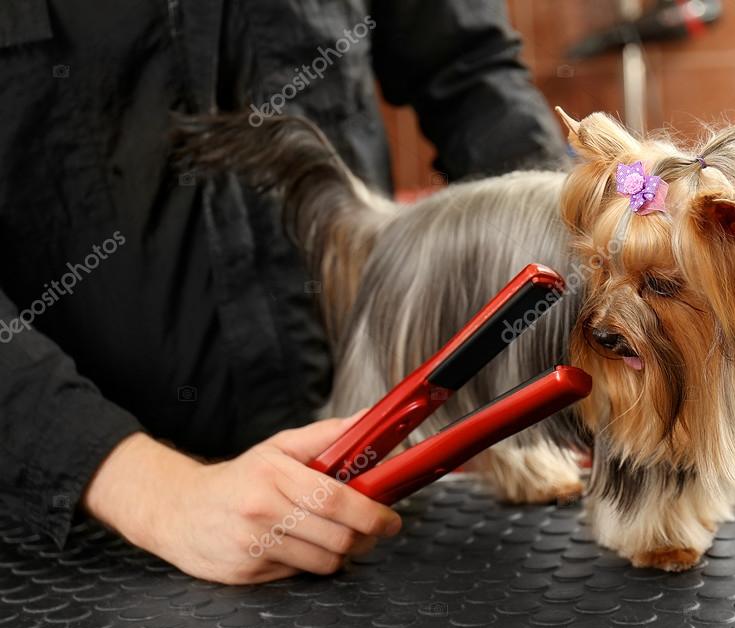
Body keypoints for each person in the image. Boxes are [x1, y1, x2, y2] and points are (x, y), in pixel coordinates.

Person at [0, 0, 565, 584]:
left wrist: (563, 267)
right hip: (72, 533)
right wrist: (155, 492)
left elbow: (470, 70)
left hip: (379, 490)